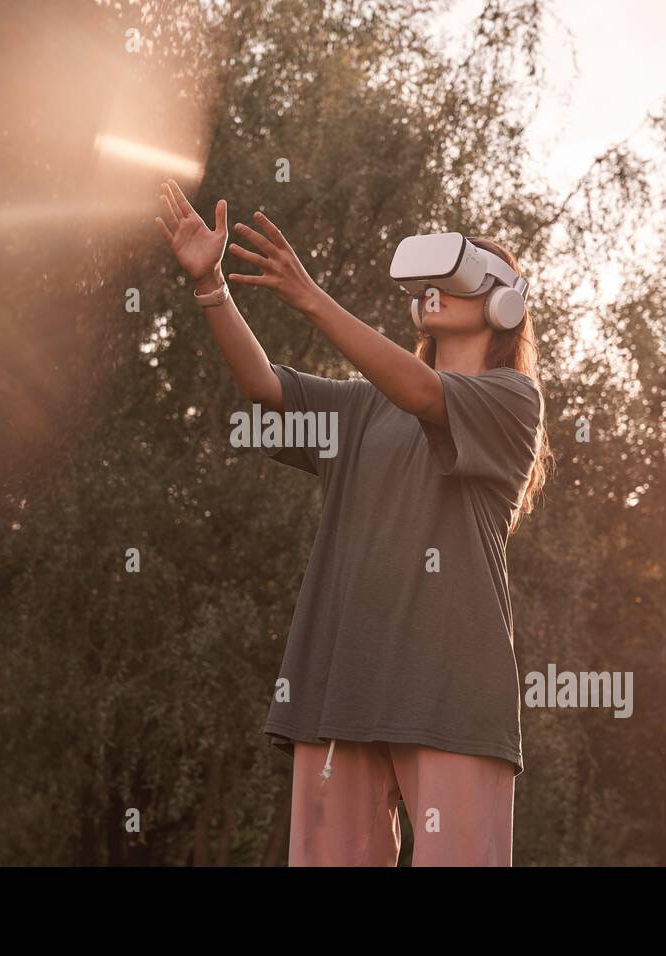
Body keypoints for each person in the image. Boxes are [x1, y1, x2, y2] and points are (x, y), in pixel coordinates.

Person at [155, 179, 551, 866]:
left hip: (451, 695)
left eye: (456, 274)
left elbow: (426, 392)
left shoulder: (513, 399)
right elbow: (263, 385)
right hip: (339, 690)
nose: (433, 288)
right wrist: (211, 287)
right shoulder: (363, 409)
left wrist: (309, 296)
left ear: (505, 303)